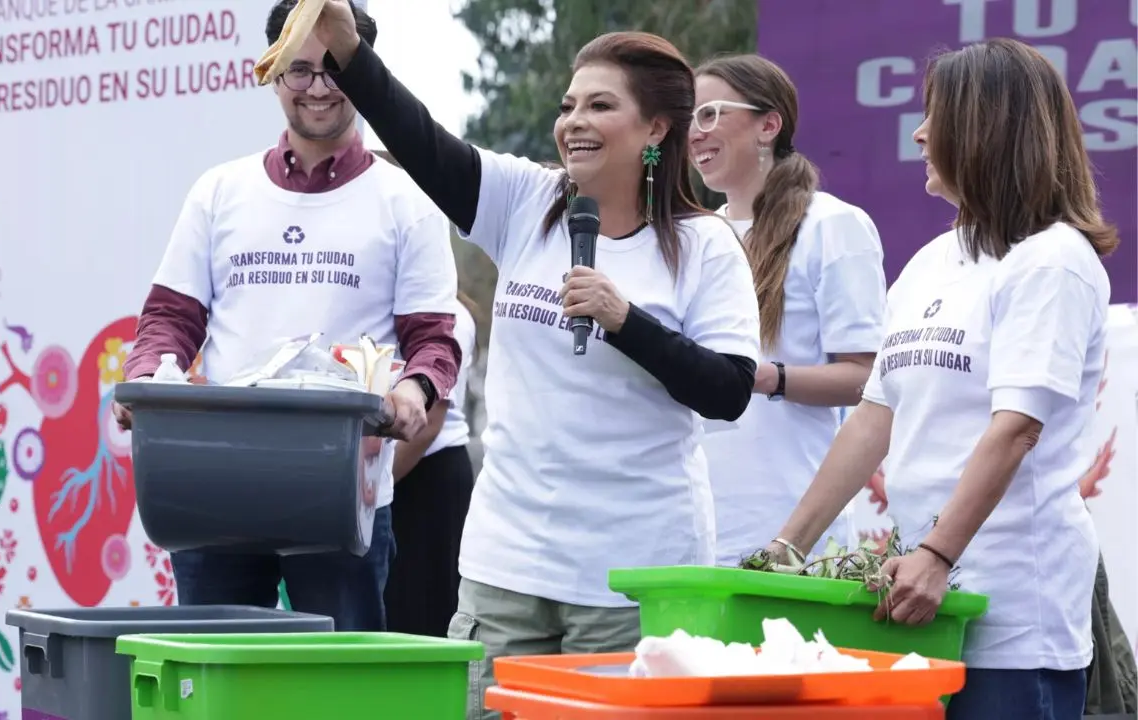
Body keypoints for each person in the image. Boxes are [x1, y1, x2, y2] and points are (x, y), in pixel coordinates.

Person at [310, 3, 761, 717]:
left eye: (601, 105)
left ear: (656, 129)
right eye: (568, 105)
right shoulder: (527, 199)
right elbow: (420, 138)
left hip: (633, 575)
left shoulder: (704, 246)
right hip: (507, 565)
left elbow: (730, 390)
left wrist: (625, 321)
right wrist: (345, 47)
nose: (574, 121)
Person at [761, 38, 1119, 720]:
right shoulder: (930, 261)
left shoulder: (1053, 262)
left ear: (988, 130)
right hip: (921, 603)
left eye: (937, 116)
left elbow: (1015, 430)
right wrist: (783, 549)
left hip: (1012, 621)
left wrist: (936, 553)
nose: (920, 133)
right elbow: (873, 418)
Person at [116, 0, 461, 632]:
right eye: (299, 71)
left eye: (337, 69)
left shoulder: (406, 199)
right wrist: (148, 375)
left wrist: (415, 389)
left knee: (339, 686)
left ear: (366, 71)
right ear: (272, 73)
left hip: (341, 496)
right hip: (215, 489)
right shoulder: (220, 190)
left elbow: (433, 339)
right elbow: (169, 318)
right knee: (214, 679)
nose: (319, 89)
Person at [688, 54, 886, 566]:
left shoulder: (833, 225)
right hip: (688, 525)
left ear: (769, 125)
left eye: (709, 114)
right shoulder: (694, 235)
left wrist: (760, 377)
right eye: (687, 117)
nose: (694, 132)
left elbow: (868, 380)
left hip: (787, 530)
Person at [384, 291, 479, 638]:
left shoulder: (450, 316)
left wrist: (366, 492)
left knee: (420, 620)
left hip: (426, 476)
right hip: (382, 476)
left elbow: (429, 423)